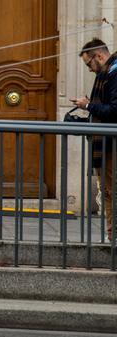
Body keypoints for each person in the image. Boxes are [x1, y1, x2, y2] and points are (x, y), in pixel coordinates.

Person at [71, 38, 117, 241]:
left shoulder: (114, 74)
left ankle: (114, 236)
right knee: (108, 191)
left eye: (89, 64)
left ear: (99, 55)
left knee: (110, 191)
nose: (89, 69)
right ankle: (112, 235)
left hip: (111, 145)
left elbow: (115, 110)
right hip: (107, 144)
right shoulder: (108, 73)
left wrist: (88, 106)